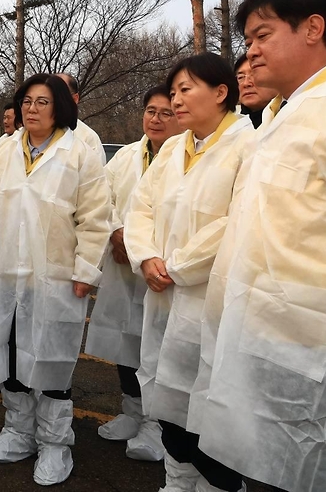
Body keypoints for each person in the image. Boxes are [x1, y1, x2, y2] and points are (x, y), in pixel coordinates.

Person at [189, 0, 326, 492]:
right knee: (262, 466)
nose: (251, 51)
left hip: (308, 342)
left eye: (263, 34)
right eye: (247, 39)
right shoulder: (280, 118)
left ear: (314, 28)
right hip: (258, 330)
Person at [0, 73, 110, 486]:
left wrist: (85, 270)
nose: (32, 109)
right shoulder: (4, 150)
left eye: (42, 102)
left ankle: (54, 443)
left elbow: (96, 216)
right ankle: (17, 431)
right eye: (27, 101)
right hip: (10, 275)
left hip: (56, 279)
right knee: (9, 355)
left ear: (60, 106)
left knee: (51, 362)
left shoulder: (79, 151)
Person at [123, 54, 255, 492]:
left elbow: (238, 220)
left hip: (210, 299)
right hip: (162, 293)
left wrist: (176, 266)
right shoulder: (174, 149)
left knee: (212, 408)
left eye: (186, 89)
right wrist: (146, 256)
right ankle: (176, 481)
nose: (176, 99)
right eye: (174, 90)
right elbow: (140, 207)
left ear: (221, 93)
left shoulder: (247, 146)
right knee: (169, 401)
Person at [84, 85, 181, 462]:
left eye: (166, 112)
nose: (156, 119)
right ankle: (132, 412)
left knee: (158, 347)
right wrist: (115, 232)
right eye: (150, 111)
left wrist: (141, 247)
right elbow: (100, 199)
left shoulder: (183, 158)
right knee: (125, 342)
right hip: (123, 267)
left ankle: (157, 425)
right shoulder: (125, 156)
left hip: (161, 271)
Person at [56, 73, 106, 166]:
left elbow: (95, 178)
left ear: (75, 99)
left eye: (60, 95)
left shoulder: (88, 139)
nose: (53, 100)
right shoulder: (27, 133)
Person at [234, 53, 277, 128]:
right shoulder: (230, 128)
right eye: (240, 77)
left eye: (254, 74)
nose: (246, 83)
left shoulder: (291, 118)